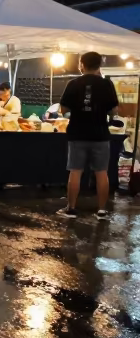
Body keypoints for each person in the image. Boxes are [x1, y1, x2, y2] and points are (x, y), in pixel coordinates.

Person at [56, 52, 118, 219]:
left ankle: (71, 208)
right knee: (101, 172)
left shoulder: (73, 83)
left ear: (81, 64)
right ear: (99, 66)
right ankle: (102, 210)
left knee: (75, 171)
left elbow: (63, 109)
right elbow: (114, 111)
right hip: (100, 135)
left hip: (78, 134)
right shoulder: (107, 84)